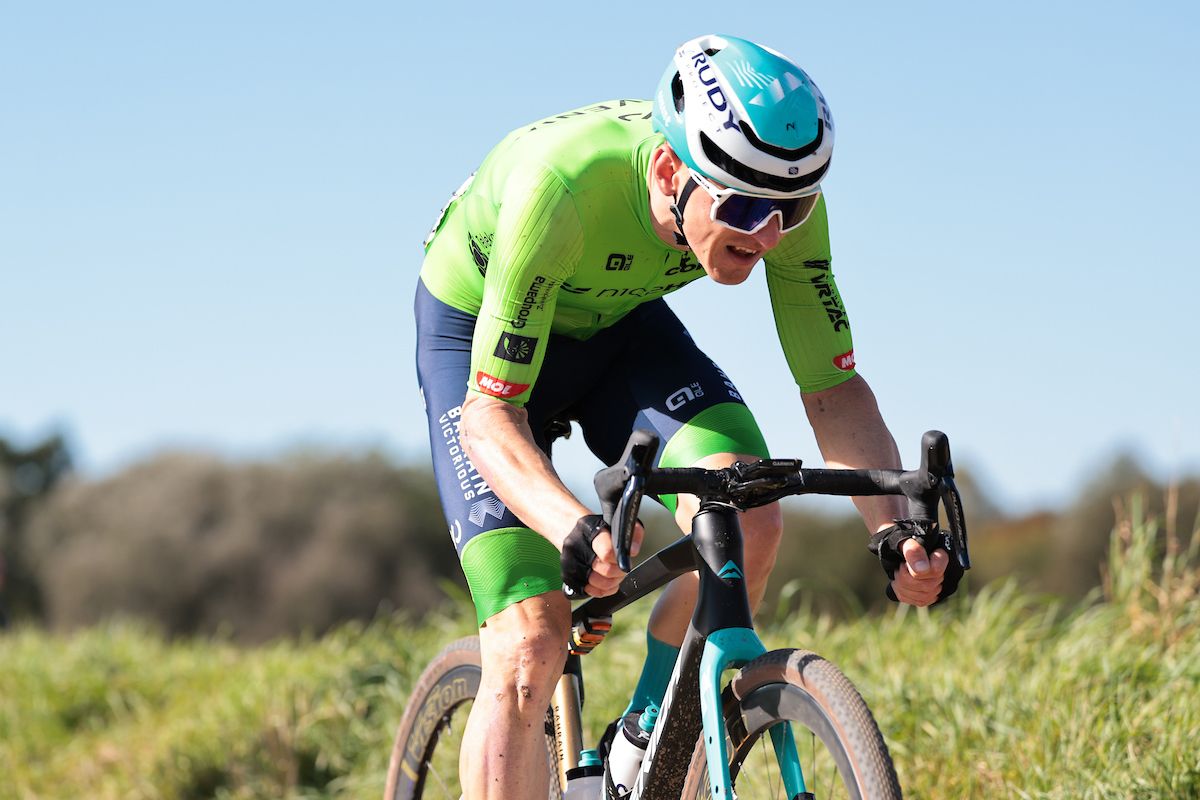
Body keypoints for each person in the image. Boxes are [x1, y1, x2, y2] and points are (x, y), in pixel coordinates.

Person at [414, 34, 959, 799]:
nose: (769, 233)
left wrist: (892, 528)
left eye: (790, 207)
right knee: (530, 637)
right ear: (670, 171)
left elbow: (832, 389)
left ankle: (644, 738)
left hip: (618, 329)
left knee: (750, 512)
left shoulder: (775, 209)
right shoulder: (561, 188)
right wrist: (573, 524)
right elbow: (490, 415)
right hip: (480, 342)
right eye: (741, 205)